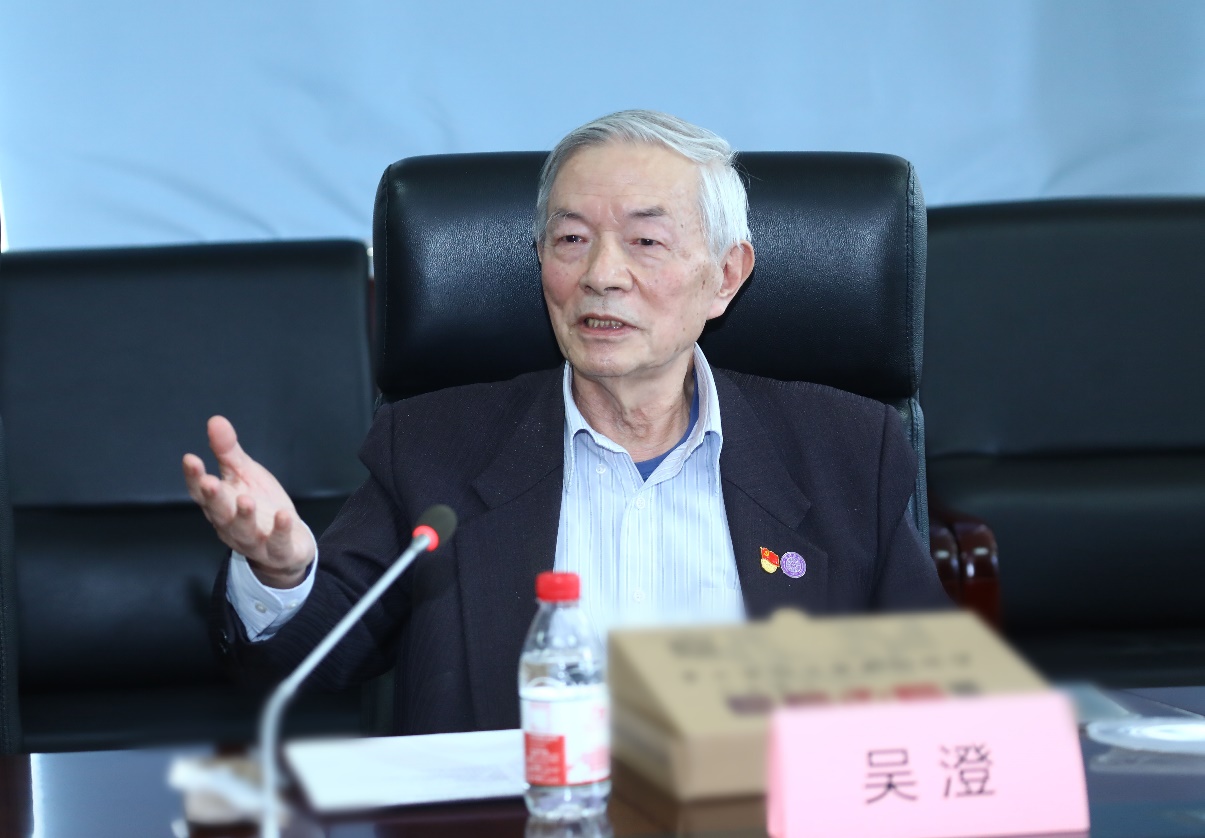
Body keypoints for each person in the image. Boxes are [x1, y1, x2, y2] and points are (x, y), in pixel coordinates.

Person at [183, 110, 949, 735]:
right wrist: (281, 573)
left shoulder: (846, 449)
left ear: (726, 275)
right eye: (571, 240)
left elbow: (932, 696)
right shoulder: (434, 449)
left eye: (645, 242)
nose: (600, 276)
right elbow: (314, 656)